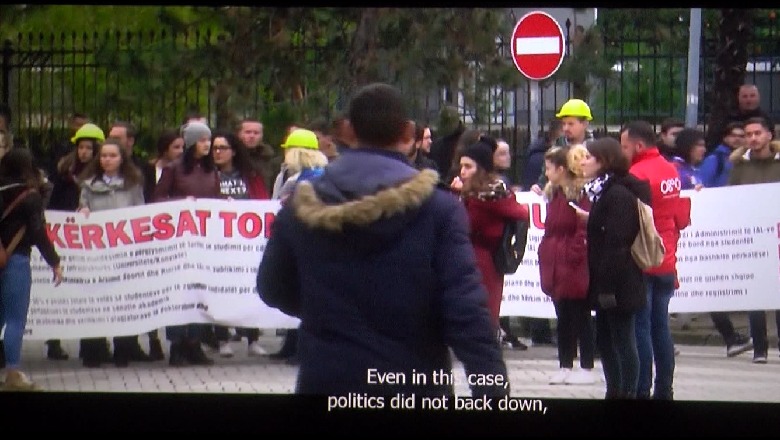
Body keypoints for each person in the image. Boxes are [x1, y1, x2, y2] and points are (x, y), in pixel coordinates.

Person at [257, 82, 509, 397]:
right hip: (414, 383)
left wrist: (326, 312)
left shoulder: (300, 207)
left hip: (328, 378)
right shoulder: (438, 209)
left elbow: (271, 287)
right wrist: (494, 394)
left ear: (347, 131)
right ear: (407, 134)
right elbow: (468, 314)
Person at [621, 120, 691, 400]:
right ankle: (665, 389)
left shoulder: (636, 174)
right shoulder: (670, 169)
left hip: (644, 259)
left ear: (638, 145)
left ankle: (641, 389)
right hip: (667, 258)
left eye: (624, 146)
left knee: (641, 327)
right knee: (660, 326)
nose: (622, 151)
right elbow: (678, 216)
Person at [579, 137, 651, 399]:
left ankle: (627, 391)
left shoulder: (617, 195)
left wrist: (607, 287)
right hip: (605, 281)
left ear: (603, 161)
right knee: (606, 340)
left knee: (623, 339)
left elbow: (617, 244)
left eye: (588, 157)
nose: (583, 162)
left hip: (620, 283)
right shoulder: (601, 192)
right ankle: (615, 388)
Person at [77, 138, 151, 367]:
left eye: (112, 156)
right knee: (97, 299)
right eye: (104, 156)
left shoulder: (133, 183)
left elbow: (141, 212)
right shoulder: (88, 184)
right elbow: (82, 208)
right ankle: (95, 349)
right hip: (98, 253)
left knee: (124, 299)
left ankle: (123, 348)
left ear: (121, 159)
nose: (107, 160)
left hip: (124, 252)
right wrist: (83, 211)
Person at [154, 121, 220, 367]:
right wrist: (182, 201)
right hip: (180, 243)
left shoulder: (211, 170)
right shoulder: (173, 169)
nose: (207, 144)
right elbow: (158, 198)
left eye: (208, 140)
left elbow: (215, 198)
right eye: (202, 140)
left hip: (204, 242)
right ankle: (177, 345)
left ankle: (195, 343)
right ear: (192, 143)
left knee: (199, 291)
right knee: (179, 293)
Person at [450, 136, 530, 333]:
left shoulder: (489, 195)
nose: (462, 171)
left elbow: (520, 212)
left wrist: (460, 197)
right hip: (467, 258)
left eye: (468, 166)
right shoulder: (473, 193)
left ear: (481, 168)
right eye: (462, 166)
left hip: (483, 260)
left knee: (482, 312)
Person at [0, 148, 64, 390]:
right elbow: (38, 233)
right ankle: (13, 373)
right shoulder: (29, 196)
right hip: (14, 260)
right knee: (15, 319)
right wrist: (54, 262)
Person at [46, 123, 104, 363]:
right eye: (80, 147)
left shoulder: (98, 175)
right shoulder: (63, 172)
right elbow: (52, 203)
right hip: (65, 239)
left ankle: (90, 345)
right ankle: (54, 343)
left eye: (89, 148)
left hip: (89, 242)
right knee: (60, 293)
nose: (84, 152)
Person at [538, 145, 595, 385]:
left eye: (549, 168)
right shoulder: (554, 194)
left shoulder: (579, 194)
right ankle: (565, 364)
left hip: (571, 262)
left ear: (561, 169)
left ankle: (585, 365)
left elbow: (582, 228)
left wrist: (573, 254)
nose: (546, 172)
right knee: (563, 314)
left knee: (579, 315)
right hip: (556, 260)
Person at [211, 130, 270, 358]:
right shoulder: (208, 175)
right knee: (221, 290)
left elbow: (263, 203)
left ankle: (252, 339)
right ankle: (222, 338)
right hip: (218, 244)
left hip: (246, 243)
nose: (217, 152)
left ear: (233, 151)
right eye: (215, 148)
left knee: (248, 289)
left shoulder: (250, 175)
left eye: (222, 148)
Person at [727, 116, 780, 364]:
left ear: (770, 135)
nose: (753, 138)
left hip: (777, 235)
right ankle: (760, 347)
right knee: (755, 293)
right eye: (748, 134)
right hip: (752, 236)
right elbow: (730, 199)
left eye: (758, 133)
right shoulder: (740, 167)